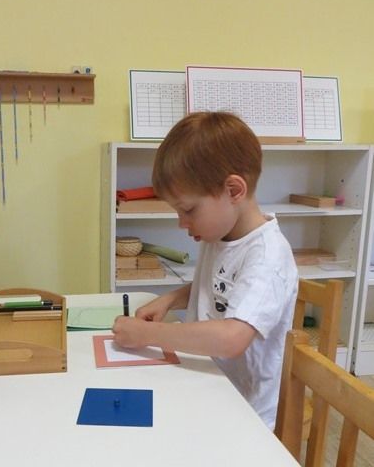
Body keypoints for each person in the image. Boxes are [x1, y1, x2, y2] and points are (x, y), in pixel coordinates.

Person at [112, 111, 298, 430]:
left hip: (242, 416)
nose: (182, 223)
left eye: (188, 210)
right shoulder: (222, 234)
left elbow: (231, 338)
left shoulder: (267, 257)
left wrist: (148, 335)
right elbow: (220, 286)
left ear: (234, 191)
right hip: (204, 386)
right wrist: (172, 298)